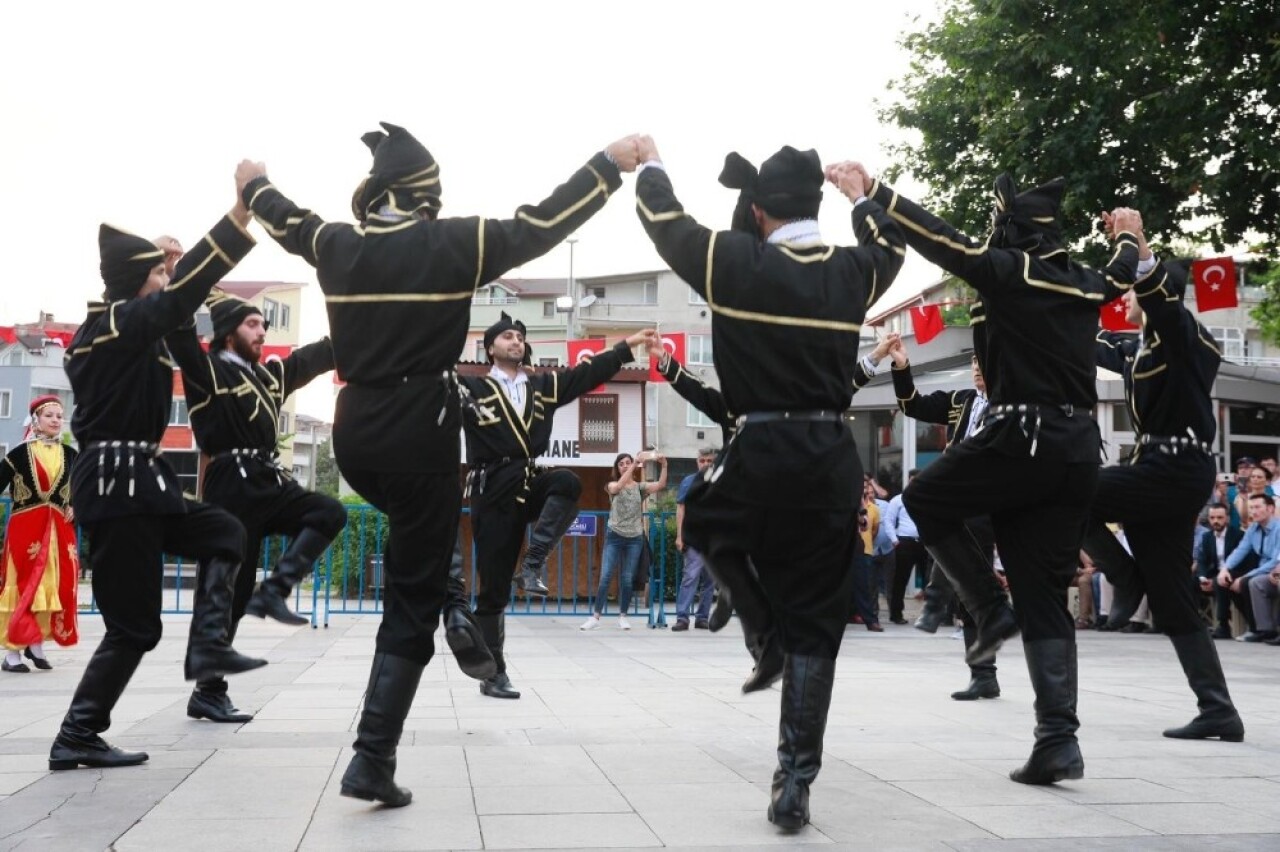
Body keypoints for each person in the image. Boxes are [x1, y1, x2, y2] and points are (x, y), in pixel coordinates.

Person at [238, 122, 642, 806]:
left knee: (416, 542)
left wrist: (253, 183)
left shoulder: (337, 244)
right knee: (411, 594)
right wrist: (609, 164)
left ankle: (452, 600)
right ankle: (373, 756)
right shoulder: (454, 242)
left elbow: (285, 217)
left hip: (354, 430)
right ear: (426, 196)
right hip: (420, 429)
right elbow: (542, 223)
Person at [635, 139, 905, 829]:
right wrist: (864, 195)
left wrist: (653, 161)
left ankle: (762, 635)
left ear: (756, 212)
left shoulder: (734, 261)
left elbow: (661, 220)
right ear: (813, 205)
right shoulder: (853, 270)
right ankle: (794, 782)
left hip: (759, 443)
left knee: (707, 525)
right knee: (819, 619)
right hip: (826, 452)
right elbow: (892, 244)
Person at [864, 164, 1141, 785]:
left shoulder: (1013, 271)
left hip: (1023, 435)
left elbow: (941, 239)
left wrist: (876, 194)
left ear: (1011, 231)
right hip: (1074, 450)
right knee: (1043, 594)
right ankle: (1057, 740)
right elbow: (1121, 269)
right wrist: (1127, 232)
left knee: (925, 498)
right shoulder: (1086, 281)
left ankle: (988, 609)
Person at [50, 170, 268, 771]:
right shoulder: (107, 326)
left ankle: (207, 661)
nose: (167, 279)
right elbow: (173, 305)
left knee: (227, 532)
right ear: (136, 282)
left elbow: (174, 313)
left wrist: (170, 270)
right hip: (117, 487)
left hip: (144, 487)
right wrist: (239, 212)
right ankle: (77, 733)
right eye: (158, 273)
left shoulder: (129, 325)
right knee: (134, 628)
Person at [1082, 224, 1245, 742]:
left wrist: (1142, 247)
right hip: (1156, 473)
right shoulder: (1140, 347)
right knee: (1173, 596)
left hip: (1174, 470)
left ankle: (1124, 578)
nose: (1124, 294)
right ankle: (1219, 710)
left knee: (1065, 486)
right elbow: (1092, 341)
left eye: (1132, 288)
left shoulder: (1186, 335)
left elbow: (1167, 311)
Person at [164, 288, 348, 723]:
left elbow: (319, 355)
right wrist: (181, 284)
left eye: (264, 325)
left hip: (267, 480)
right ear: (228, 334)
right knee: (228, 588)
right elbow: (179, 332)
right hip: (230, 485)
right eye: (253, 324)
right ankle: (209, 691)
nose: (263, 331)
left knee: (329, 512)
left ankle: (275, 590)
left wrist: (366, 310)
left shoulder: (269, 376)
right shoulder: (206, 372)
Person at [456, 314, 650, 699]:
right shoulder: (471, 388)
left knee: (567, 482)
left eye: (520, 336)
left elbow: (588, 373)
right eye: (507, 336)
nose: (516, 340)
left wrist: (627, 348)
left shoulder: (544, 385)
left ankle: (532, 565)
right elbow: (429, 377)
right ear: (490, 347)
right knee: (493, 590)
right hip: (491, 488)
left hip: (528, 480)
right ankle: (493, 672)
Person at [886, 334, 1005, 702]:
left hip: (988, 504)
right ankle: (982, 672)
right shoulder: (963, 401)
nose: (976, 370)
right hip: (959, 503)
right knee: (970, 584)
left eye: (982, 364)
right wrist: (902, 367)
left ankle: (939, 601)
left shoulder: (1011, 406)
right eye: (972, 364)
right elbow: (912, 404)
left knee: (973, 581)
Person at [0, 396, 79, 673]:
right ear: (36, 420)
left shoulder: (71, 454)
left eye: (59, 416)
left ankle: (35, 644)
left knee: (53, 586)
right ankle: (12, 653)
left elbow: (81, 488)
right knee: (22, 584)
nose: (56, 420)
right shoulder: (19, 454)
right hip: (26, 528)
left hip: (59, 531)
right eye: (49, 416)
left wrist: (76, 506)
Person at [580, 450, 668, 631]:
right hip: (614, 536)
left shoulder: (639, 487)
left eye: (628, 462)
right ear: (617, 468)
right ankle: (595, 616)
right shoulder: (611, 485)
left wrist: (664, 465)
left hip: (634, 538)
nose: (625, 465)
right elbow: (618, 487)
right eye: (622, 464)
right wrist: (636, 463)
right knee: (605, 576)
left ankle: (623, 616)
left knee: (627, 578)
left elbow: (660, 485)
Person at [673, 447, 719, 632]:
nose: (706, 464)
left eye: (709, 461)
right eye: (702, 460)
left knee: (710, 581)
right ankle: (682, 617)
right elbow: (681, 509)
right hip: (693, 538)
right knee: (690, 577)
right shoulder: (688, 481)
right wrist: (679, 535)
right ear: (697, 462)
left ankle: (702, 618)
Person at [1224, 494, 1280, 643]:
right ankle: (1263, 629)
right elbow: (1240, 550)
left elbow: (1275, 560)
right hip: (1265, 572)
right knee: (1227, 580)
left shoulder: (1278, 528)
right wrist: (1225, 568)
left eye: (1257, 507)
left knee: (1250, 582)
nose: (1253, 511)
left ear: (1270, 509)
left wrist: (1247, 576)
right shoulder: (1253, 528)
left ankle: (1265, 629)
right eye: (1251, 508)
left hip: (1274, 571)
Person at [1195, 503, 1248, 639]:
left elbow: (1243, 562)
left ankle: (1223, 625)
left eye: (1219, 517)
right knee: (1190, 581)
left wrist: (1218, 577)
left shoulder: (1238, 535)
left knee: (1220, 582)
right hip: (1215, 572)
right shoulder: (1207, 537)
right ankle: (1191, 622)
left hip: (1234, 573)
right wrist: (1202, 578)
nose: (1216, 521)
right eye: (1212, 518)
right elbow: (1202, 561)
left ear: (1227, 519)